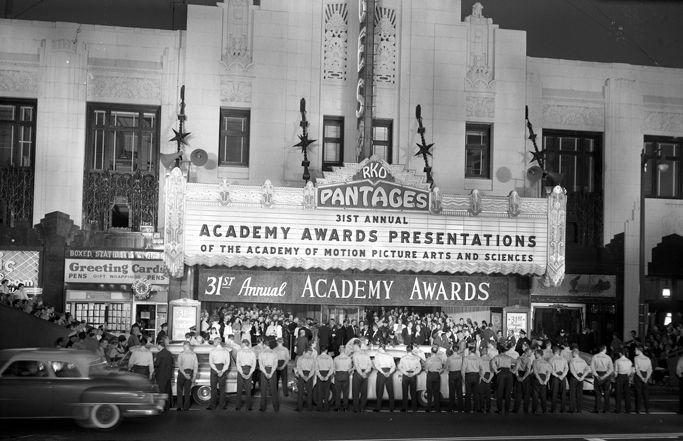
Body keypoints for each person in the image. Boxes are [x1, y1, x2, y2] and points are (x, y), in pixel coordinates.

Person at [207, 338, 230, 410]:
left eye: (214, 341)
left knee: (213, 388)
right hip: (222, 368)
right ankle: (222, 405)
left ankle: (212, 406)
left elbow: (211, 363)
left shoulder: (212, 351)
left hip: (214, 369)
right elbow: (227, 363)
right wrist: (222, 371)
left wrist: (217, 370)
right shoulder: (226, 351)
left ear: (217, 342)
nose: (213, 343)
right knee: (222, 389)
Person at [398, 344, 422, 412]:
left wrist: (406, 373)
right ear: (412, 350)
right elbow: (419, 368)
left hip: (405, 375)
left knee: (405, 392)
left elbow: (400, 367)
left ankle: (404, 408)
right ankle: (414, 408)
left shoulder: (403, 358)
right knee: (413, 392)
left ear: (406, 350)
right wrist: (413, 373)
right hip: (413, 375)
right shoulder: (416, 358)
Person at [590, 344, 614, 413]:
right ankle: (606, 409)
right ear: (604, 349)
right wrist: (605, 375)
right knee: (606, 392)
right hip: (606, 375)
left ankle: (597, 409)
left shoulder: (595, 356)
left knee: (597, 393)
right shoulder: (608, 357)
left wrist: (596, 375)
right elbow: (611, 369)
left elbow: (592, 367)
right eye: (606, 349)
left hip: (598, 374)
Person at [258, 337, 280, 412]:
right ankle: (276, 408)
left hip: (264, 370)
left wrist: (265, 372)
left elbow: (260, 365)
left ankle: (262, 407)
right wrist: (271, 373)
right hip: (272, 371)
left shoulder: (261, 353)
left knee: (263, 390)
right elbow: (275, 364)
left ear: (264, 345)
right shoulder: (274, 353)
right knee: (274, 390)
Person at [491, 346, 514, 414]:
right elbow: (517, 362)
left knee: (500, 392)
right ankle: (507, 410)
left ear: (499, 351)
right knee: (508, 392)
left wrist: (496, 371)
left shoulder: (497, 357)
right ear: (505, 351)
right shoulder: (508, 357)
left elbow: (492, 362)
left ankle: (500, 409)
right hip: (509, 373)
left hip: (501, 372)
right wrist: (513, 370)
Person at [176, 341, 198, 411]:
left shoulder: (181, 354)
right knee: (187, 391)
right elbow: (196, 366)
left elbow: (179, 365)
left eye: (183, 346)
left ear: (185, 346)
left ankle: (179, 406)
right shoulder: (194, 354)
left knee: (179, 390)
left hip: (182, 373)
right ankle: (186, 407)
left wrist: (184, 374)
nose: (183, 347)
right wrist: (194, 377)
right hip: (190, 373)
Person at [373, 343, 396, 412]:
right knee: (390, 391)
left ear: (380, 348)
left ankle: (378, 407)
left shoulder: (377, 355)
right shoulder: (389, 355)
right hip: (389, 372)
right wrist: (389, 372)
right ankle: (392, 408)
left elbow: (376, 365)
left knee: (379, 391)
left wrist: (383, 373)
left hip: (381, 373)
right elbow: (394, 366)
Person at [235, 339, 256, 411]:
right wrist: (250, 373)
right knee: (248, 389)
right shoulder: (252, 352)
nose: (241, 345)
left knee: (239, 389)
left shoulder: (239, 352)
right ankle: (249, 406)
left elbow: (238, 363)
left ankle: (238, 406)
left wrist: (241, 372)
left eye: (241, 343)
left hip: (241, 369)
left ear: (244, 344)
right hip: (249, 369)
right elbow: (254, 364)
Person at [351, 342, 372, 412]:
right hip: (365, 374)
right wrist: (365, 372)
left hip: (358, 374)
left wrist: (361, 373)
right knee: (364, 392)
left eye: (354, 346)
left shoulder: (355, 355)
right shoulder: (367, 355)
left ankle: (356, 408)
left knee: (355, 392)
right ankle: (362, 408)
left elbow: (356, 365)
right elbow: (370, 365)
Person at [154, 337, 174, 411]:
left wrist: (154, 360)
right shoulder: (169, 353)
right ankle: (168, 406)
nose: (157, 347)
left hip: (161, 375)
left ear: (159, 345)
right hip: (168, 375)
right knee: (167, 391)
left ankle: (162, 406)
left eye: (157, 345)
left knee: (161, 391)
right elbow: (172, 364)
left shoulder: (159, 354)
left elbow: (156, 364)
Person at [548, 346, 569, 413]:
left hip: (555, 377)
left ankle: (553, 409)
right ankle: (563, 409)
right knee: (563, 394)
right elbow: (566, 368)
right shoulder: (564, 359)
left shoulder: (551, 359)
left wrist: (557, 376)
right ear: (559, 352)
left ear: (553, 352)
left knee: (554, 393)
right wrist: (562, 376)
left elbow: (550, 370)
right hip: (563, 377)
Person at [513, 346, 533, 414]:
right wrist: (524, 378)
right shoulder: (528, 360)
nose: (531, 354)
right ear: (527, 352)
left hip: (519, 374)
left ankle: (516, 409)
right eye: (530, 352)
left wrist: (517, 376)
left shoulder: (518, 358)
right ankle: (525, 410)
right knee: (526, 394)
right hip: (525, 376)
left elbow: (516, 368)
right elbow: (528, 370)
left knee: (518, 393)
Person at [568, 348, 589, 413]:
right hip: (581, 377)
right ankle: (579, 409)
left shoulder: (572, 360)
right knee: (579, 394)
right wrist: (582, 377)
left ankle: (572, 409)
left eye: (572, 353)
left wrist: (577, 377)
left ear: (574, 353)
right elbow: (587, 369)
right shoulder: (583, 361)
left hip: (574, 377)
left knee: (572, 394)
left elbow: (572, 370)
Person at [295, 346, 316, 411]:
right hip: (309, 375)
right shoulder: (312, 359)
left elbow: (299, 368)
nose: (311, 354)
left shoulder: (300, 358)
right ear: (308, 351)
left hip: (302, 375)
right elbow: (313, 369)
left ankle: (299, 407)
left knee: (300, 392)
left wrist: (303, 376)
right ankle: (309, 408)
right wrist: (309, 376)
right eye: (310, 353)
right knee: (309, 392)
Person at [461, 344, 481, 413]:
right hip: (476, 375)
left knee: (468, 394)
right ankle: (476, 409)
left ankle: (467, 409)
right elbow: (482, 369)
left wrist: (463, 379)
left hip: (468, 376)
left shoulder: (466, 358)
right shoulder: (478, 358)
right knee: (476, 394)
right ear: (475, 351)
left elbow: (463, 370)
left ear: (469, 351)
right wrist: (480, 377)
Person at [633, 346, 652, 414]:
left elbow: (637, 369)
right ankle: (647, 409)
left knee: (638, 393)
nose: (635, 351)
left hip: (639, 376)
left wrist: (642, 378)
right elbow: (650, 369)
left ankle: (638, 409)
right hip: (646, 374)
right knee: (646, 394)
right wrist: (646, 378)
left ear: (639, 350)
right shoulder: (647, 358)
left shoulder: (636, 358)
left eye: (635, 350)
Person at [425, 345, 444, 412]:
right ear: (437, 351)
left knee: (429, 392)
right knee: (436, 392)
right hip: (436, 375)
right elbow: (441, 369)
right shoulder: (439, 359)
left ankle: (429, 408)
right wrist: (438, 372)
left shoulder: (428, 359)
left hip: (430, 375)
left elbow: (426, 370)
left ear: (431, 351)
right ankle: (437, 408)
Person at [333, 347, 354, 411]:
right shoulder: (348, 358)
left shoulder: (336, 358)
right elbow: (350, 368)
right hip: (345, 375)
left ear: (339, 350)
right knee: (345, 392)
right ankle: (345, 406)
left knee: (337, 392)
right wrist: (348, 373)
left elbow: (333, 368)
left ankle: (337, 406)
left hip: (338, 375)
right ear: (344, 350)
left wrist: (336, 374)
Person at [532, 349, 551, 414]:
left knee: (535, 395)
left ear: (538, 354)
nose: (534, 354)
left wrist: (539, 379)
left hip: (537, 378)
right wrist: (546, 381)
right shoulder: (546, 362)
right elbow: (548, 372)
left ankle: (534, 410)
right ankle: (544, 410)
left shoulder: (535, 361)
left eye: (535, 353)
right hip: (544, 377)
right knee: (543, 395)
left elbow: (535, 372)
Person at [446, 348, 464, 413]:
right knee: (459, 391)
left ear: (453, 350)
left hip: (452, 374)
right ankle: (460, 408)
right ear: (458, 350)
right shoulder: (461, 357)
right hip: (459, 373)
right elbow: (463, 366)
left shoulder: (449, 358)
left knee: (452, 392)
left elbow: (446, 367)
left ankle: (451, 408)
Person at [477, 347, 493, 413]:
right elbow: (492, 370)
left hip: (482, 375)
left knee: (481, 393)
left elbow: (478, 369)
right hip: (488, 375)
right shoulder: (490, 359)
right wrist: (490, 379)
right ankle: (488, 408)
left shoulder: (479, 359)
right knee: (488, 393)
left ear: (482, 352)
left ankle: (481, 407)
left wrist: (481, 377)